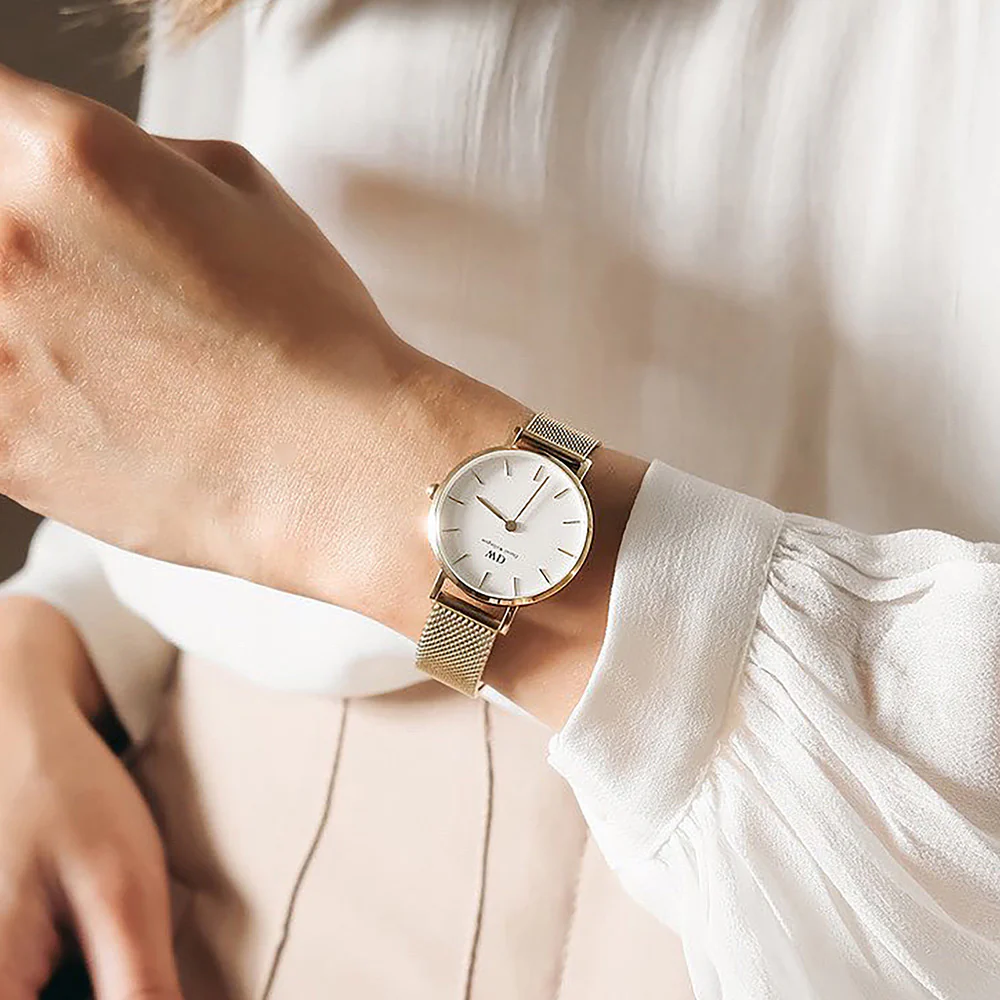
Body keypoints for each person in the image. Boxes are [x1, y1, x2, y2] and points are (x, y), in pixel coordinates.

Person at [0, 0, 997, 997]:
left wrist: (360, 476)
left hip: (833, 911)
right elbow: (195, 297)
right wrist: (54, 626)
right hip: (217, 848)